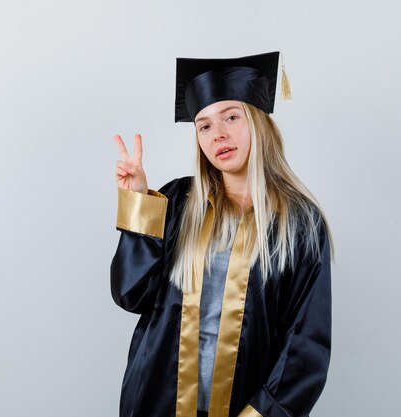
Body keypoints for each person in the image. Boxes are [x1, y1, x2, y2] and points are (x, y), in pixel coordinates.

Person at [110, 51, 334, 417]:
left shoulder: (299, 223)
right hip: (158, 401)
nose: (220, 135)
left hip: (246, 407)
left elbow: (304, 342)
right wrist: (138, 205)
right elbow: (130, 295)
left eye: (232, 116)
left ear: (259, 123)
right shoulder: (176, 202)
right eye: (205, 125)